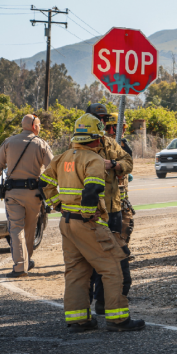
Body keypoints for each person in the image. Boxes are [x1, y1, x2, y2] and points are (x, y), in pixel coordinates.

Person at [39, 113, 144, 332]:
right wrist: (89, 215)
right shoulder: (94, 159)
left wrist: (58, 205)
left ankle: (79, 321)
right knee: (113, 268)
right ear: (96, 138)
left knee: (77, 271)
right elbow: (92, 190)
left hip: (67, 223)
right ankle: (118, 320)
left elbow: (44, 183)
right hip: (88, 224)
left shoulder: (63, 157)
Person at [84, 103, 133, 315]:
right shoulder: (78, 146)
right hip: (90, 212)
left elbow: (128, 161)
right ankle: (83, 307)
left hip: (112, 210)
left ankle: (105, 303)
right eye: (98, 118)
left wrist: (113, 164)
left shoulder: (110, 143)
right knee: (87, 261)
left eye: (104, 119)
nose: (102, 123)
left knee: (113, 258)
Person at [0, 114, 53, 277]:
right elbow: (52, 168)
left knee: (16, 228)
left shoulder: (8, 142)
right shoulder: (41, 143)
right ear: (34, 126)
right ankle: (26, 261)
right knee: (30, 228)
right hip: (33, 194)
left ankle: (20, 266)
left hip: (12, 193)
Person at [104, 113, 135, 244]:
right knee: (121, 225)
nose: (124, 130)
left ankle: (122, 250)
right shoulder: (106, 144)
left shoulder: (121, 144)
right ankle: (119, 252)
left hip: (122, 194)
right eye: (121, 127)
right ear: (112, 127)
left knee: (127, 224)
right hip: (113, 196)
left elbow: (128, 162)